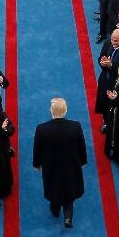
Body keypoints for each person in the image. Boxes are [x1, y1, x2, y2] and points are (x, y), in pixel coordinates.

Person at [33, 97, 87, 227]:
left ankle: (55, 210)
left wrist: (37, 164)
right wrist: (82, 162)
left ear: (51, 111)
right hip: (71, 165)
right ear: (65, 110)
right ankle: (68, 217)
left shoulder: (42, 129)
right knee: (69, 189)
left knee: (54, 188)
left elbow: (37, 149)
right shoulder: (75, 126)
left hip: (51, 167)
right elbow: (82, 146)